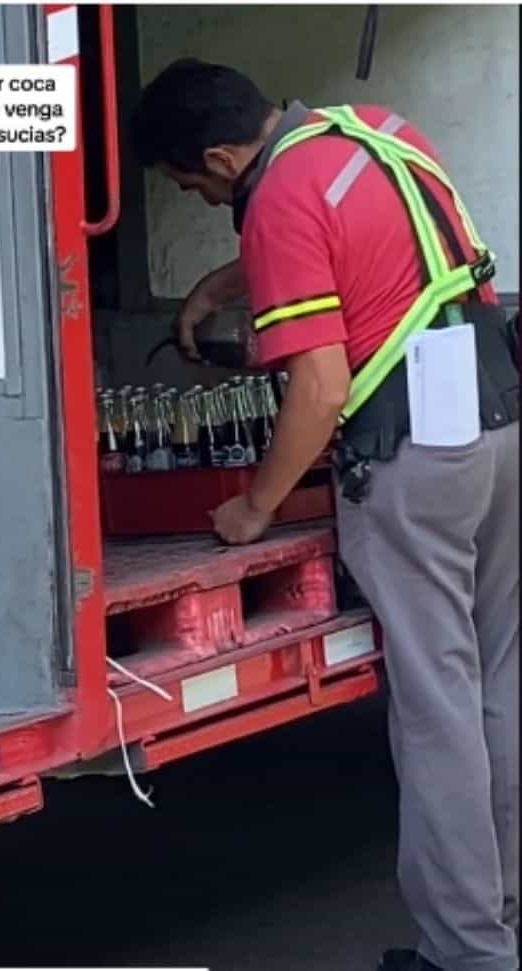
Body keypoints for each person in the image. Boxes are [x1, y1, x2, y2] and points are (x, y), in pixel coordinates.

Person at [132, 59, 520, 971]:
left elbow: (321, 384)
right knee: (501, 684)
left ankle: (467, 953)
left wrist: (256, 506)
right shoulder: (377, 133)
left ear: (222, 156)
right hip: (500, 428)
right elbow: (374, 243)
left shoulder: (278, 204)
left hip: (416, 463)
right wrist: (231, 282)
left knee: (437, 711)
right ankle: (499, 912)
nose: (195, 198)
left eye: (190, 182)